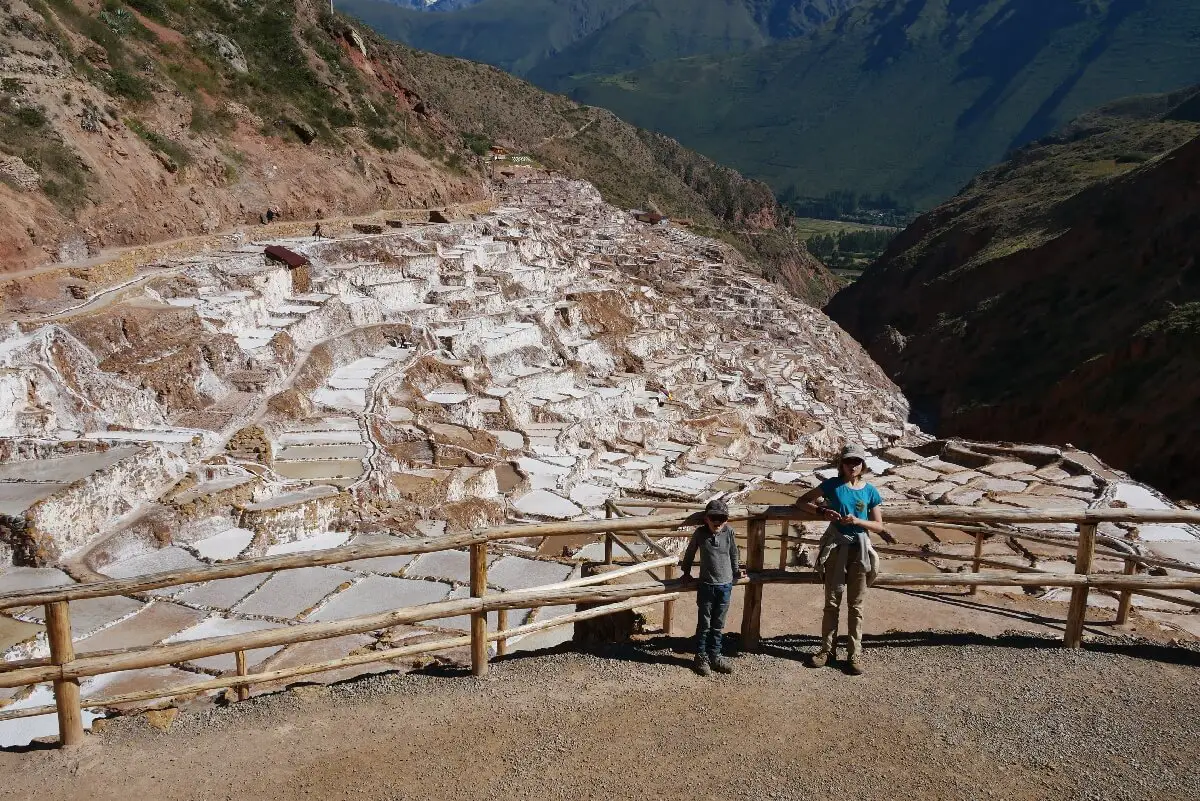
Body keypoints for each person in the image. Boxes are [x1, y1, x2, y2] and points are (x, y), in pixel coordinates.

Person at [794, 443, 884, 675]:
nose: (852, 465)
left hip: (860, 549)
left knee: (856, 604)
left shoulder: (870, 491)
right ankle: (827, 650)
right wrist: (823, 512)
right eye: (848, 461)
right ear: (841, 464)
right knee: (832, 602)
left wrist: (857, 521)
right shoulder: (831, 485)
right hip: (836, 548)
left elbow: (878, 525)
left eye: (857, 462)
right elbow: (802, 502)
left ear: (863, 465)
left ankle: (854, 654)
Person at [680, 498, 746, 676]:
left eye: (722, 518)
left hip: (725, 585)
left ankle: (715, 655)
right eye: (713, 518)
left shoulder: (729, 532)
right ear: (706, 519)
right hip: (707, 585)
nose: (717, 522)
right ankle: (700, 657)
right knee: (705, 623)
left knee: (718, 624)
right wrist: (686, 571)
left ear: (727, 520)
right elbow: (690, 552)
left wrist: (736, 571)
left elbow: (734, 552)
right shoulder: (700, 534)